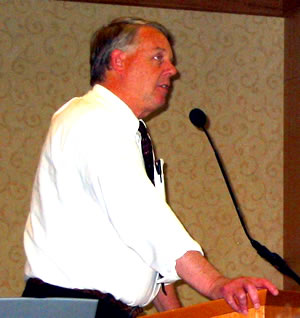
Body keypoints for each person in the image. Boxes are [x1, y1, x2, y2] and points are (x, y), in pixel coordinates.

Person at [22, 17, 278, 318]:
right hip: (72, 311)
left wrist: (175, 316)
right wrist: (215, 283)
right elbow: (144, 218)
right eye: (158, 57)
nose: (172, 70)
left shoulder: (123, 130)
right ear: (118, 60)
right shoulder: (91, 121)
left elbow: (145, 246)